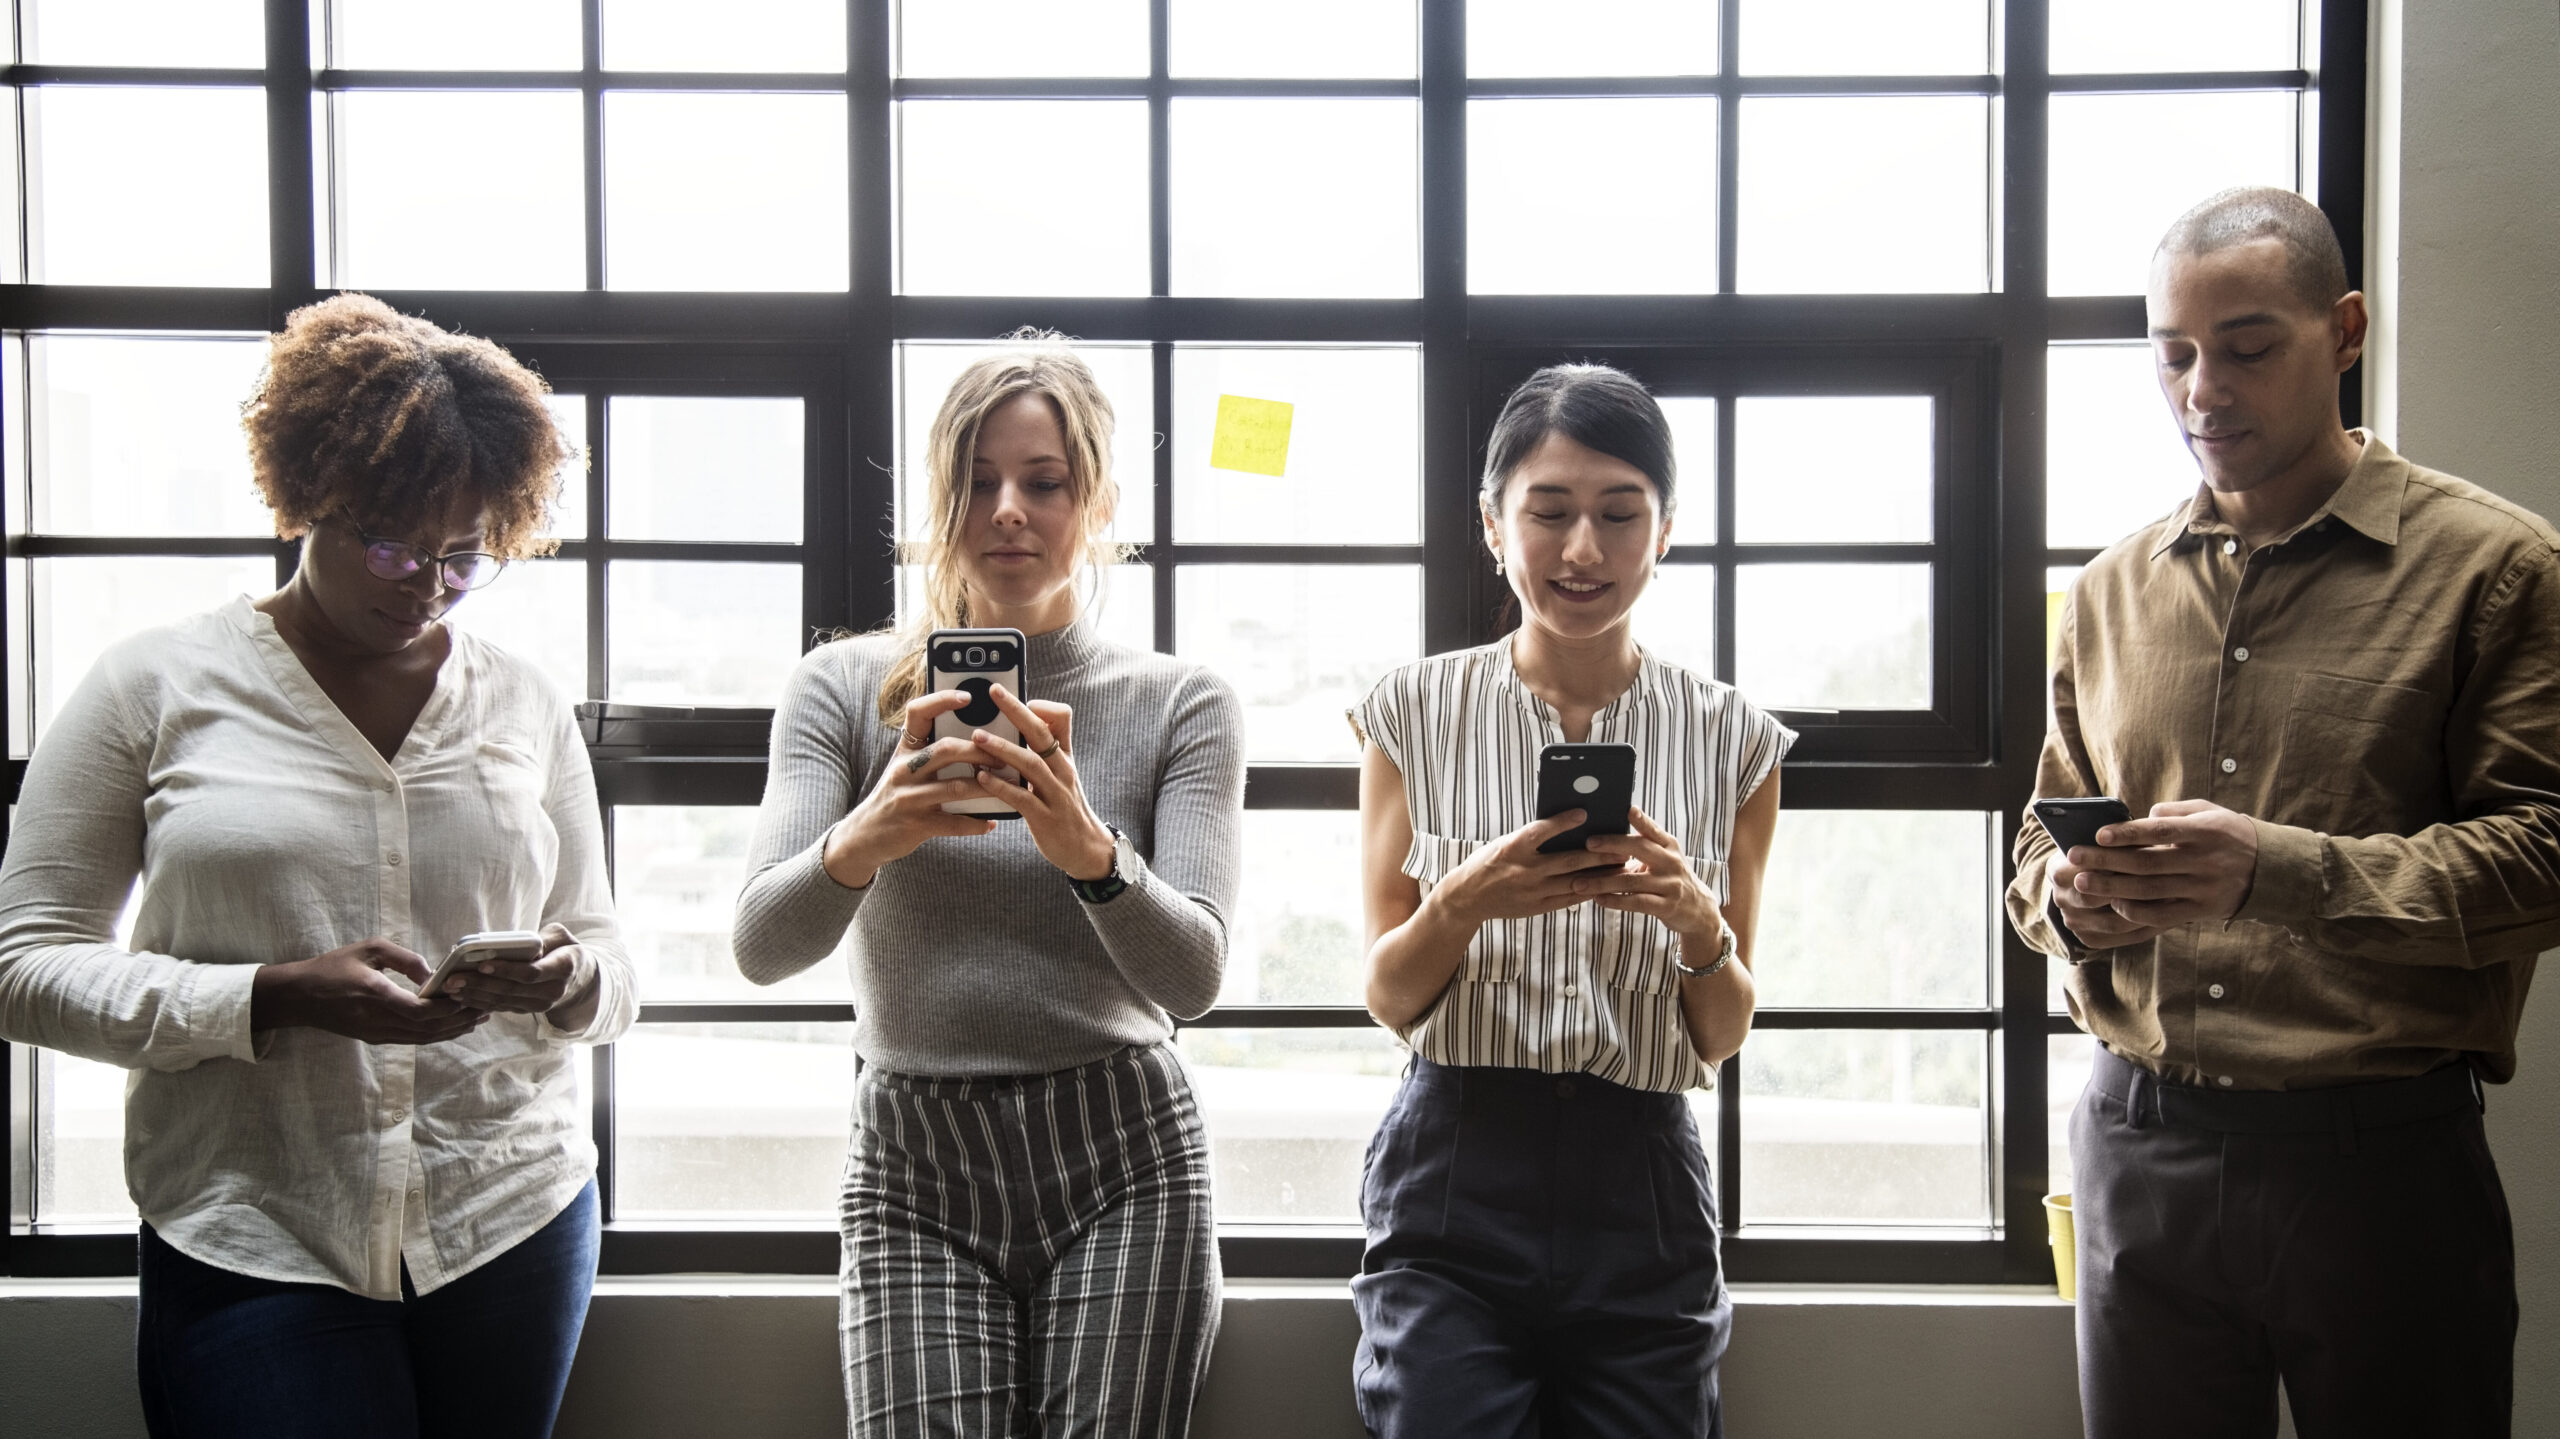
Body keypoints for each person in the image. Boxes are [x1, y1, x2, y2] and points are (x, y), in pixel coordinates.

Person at [0, 293, 634, 1439]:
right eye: (392, 543)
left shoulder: (524, 699)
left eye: (463, 556)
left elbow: (607, 955)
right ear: (306, 502)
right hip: (257, 1225)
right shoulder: (154, 684)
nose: (425, 583)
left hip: (511, 1211)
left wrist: (566, 977)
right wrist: (269, 997)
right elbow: (24, 966)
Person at [2009, 187, 2560, 1439]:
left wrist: (2278, 870)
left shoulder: (2500, 569)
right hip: (2134, 1140)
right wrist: (2067, 896)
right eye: (2173, 354)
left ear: (2346, 329)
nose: (2204, 388)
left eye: (2248, 347)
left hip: (2383, 1163)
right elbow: (2038, 839)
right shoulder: (2104, 593)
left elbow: (2545, 855)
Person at [733, 338, 1244, 1437]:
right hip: (913, 1153)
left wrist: (1088, 852)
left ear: (1094, 500)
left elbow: (1193, 975)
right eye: (976, 477)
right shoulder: (839, 685)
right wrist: (875, 828)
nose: (1007, 508)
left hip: (1123, 1145)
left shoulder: (1180, 700)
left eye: (1044, 480)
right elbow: (762, 944)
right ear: (939, 495)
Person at [1347, 363, 1790, 1437]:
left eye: (1617, 513)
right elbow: (1388, 995)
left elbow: (1721, 1030)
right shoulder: (1409, 708)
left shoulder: (1737, 736)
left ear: (1665, 529)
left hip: (1640, 1173)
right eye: (1547, 512)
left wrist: (1697, 927)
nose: (1582, 549)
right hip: (1453, 1158)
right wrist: (1461, 900)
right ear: (1494, 526)